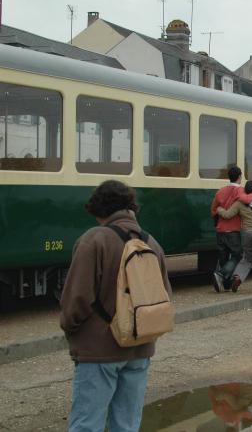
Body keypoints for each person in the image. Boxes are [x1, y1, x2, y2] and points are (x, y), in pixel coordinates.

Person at [60, 180, 171, 432]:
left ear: (100, 209)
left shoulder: (94, 240)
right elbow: (165, 295)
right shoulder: (151, 243)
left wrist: (71, 329)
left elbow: (77, 297)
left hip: (99, 350)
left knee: (87, 424)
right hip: (140, 349)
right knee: (127, 424)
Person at [217, 180, 252, 293]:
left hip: (247, 234)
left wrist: (219, 209)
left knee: (247, 259)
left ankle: (238, 277)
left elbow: (228, 215)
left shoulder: (239, 203)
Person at [210, 166, 244, 292]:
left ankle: (226, 284)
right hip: (233, 229)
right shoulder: (241, 191)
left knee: (223, 256)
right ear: (239, 177)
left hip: (220, 230)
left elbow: (213, 210)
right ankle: (220, 274)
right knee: (237, 255)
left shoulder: (220, 191)